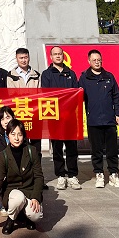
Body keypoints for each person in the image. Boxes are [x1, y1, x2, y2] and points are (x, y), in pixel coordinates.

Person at [0, 119, 44, 235]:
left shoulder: (32, 151)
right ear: (7, 135)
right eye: (13, 134)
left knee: (36, 216)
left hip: (29, 192)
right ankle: (11, 219)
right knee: (18, 198)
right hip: (12, 193)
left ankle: (26, 217)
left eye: (20, 134)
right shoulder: (3, 155)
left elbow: (39, 177)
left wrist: (36, 197)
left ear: (24, 136)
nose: (16, 138)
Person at [79, 49, 119, 188]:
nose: (97, 62)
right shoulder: (84, 78)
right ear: (89, 61)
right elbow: (77, 96)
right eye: (94, 60)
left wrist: (118, 113)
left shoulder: (109, 76)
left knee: (112, 149)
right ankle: (99, 174)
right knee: (96, 150)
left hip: (109, 119)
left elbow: (116, 96)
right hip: (93, 120)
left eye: (99, 60)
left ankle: (113, 174)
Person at [40, 46, 81, 190]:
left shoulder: (71, 73)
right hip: (55, 117)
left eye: (60, 54)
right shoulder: (46, 74)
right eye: (55, 54)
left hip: (70, 117)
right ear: (51, 57)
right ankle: (61, 176)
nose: (58, 56)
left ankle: (72, 175)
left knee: (71, 148)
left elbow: (76, 93)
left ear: (64, 56)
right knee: (57, 148)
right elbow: (45, 94)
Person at [7, 48, 47, 190]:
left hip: (34, 116)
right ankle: (21, 178)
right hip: (19, 118)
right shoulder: (11, 76)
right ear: (16, 59)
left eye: (25, 57)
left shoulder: (36, 75)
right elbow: (11, 97)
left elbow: (40, 95)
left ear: (29, 58)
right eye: (20, 58)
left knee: (36, 149)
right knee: (20, 147)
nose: (23, 60)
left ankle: (38, 179)